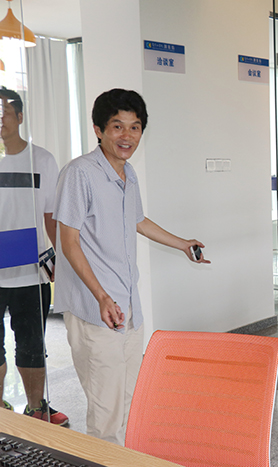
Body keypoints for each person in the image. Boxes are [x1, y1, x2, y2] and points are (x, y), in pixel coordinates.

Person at [53, 89, 210, 445]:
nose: (127, 136)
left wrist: (182, 243)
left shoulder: (128, 173)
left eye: (135, 127)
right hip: (95, 309)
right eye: (117, 126)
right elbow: (69, 241)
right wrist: (101, 296)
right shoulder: (80, 173)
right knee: (105, 413)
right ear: (98, 130)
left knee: (129, 401)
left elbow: (138, 220)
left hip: (126, 305)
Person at [0, 88, 68, 425]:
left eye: (4, 113)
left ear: (20, 116)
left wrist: (62, 261)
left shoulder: (42, 159)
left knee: (31, 344)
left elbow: (52, 215)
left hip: (32, 270)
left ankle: (36, 408)